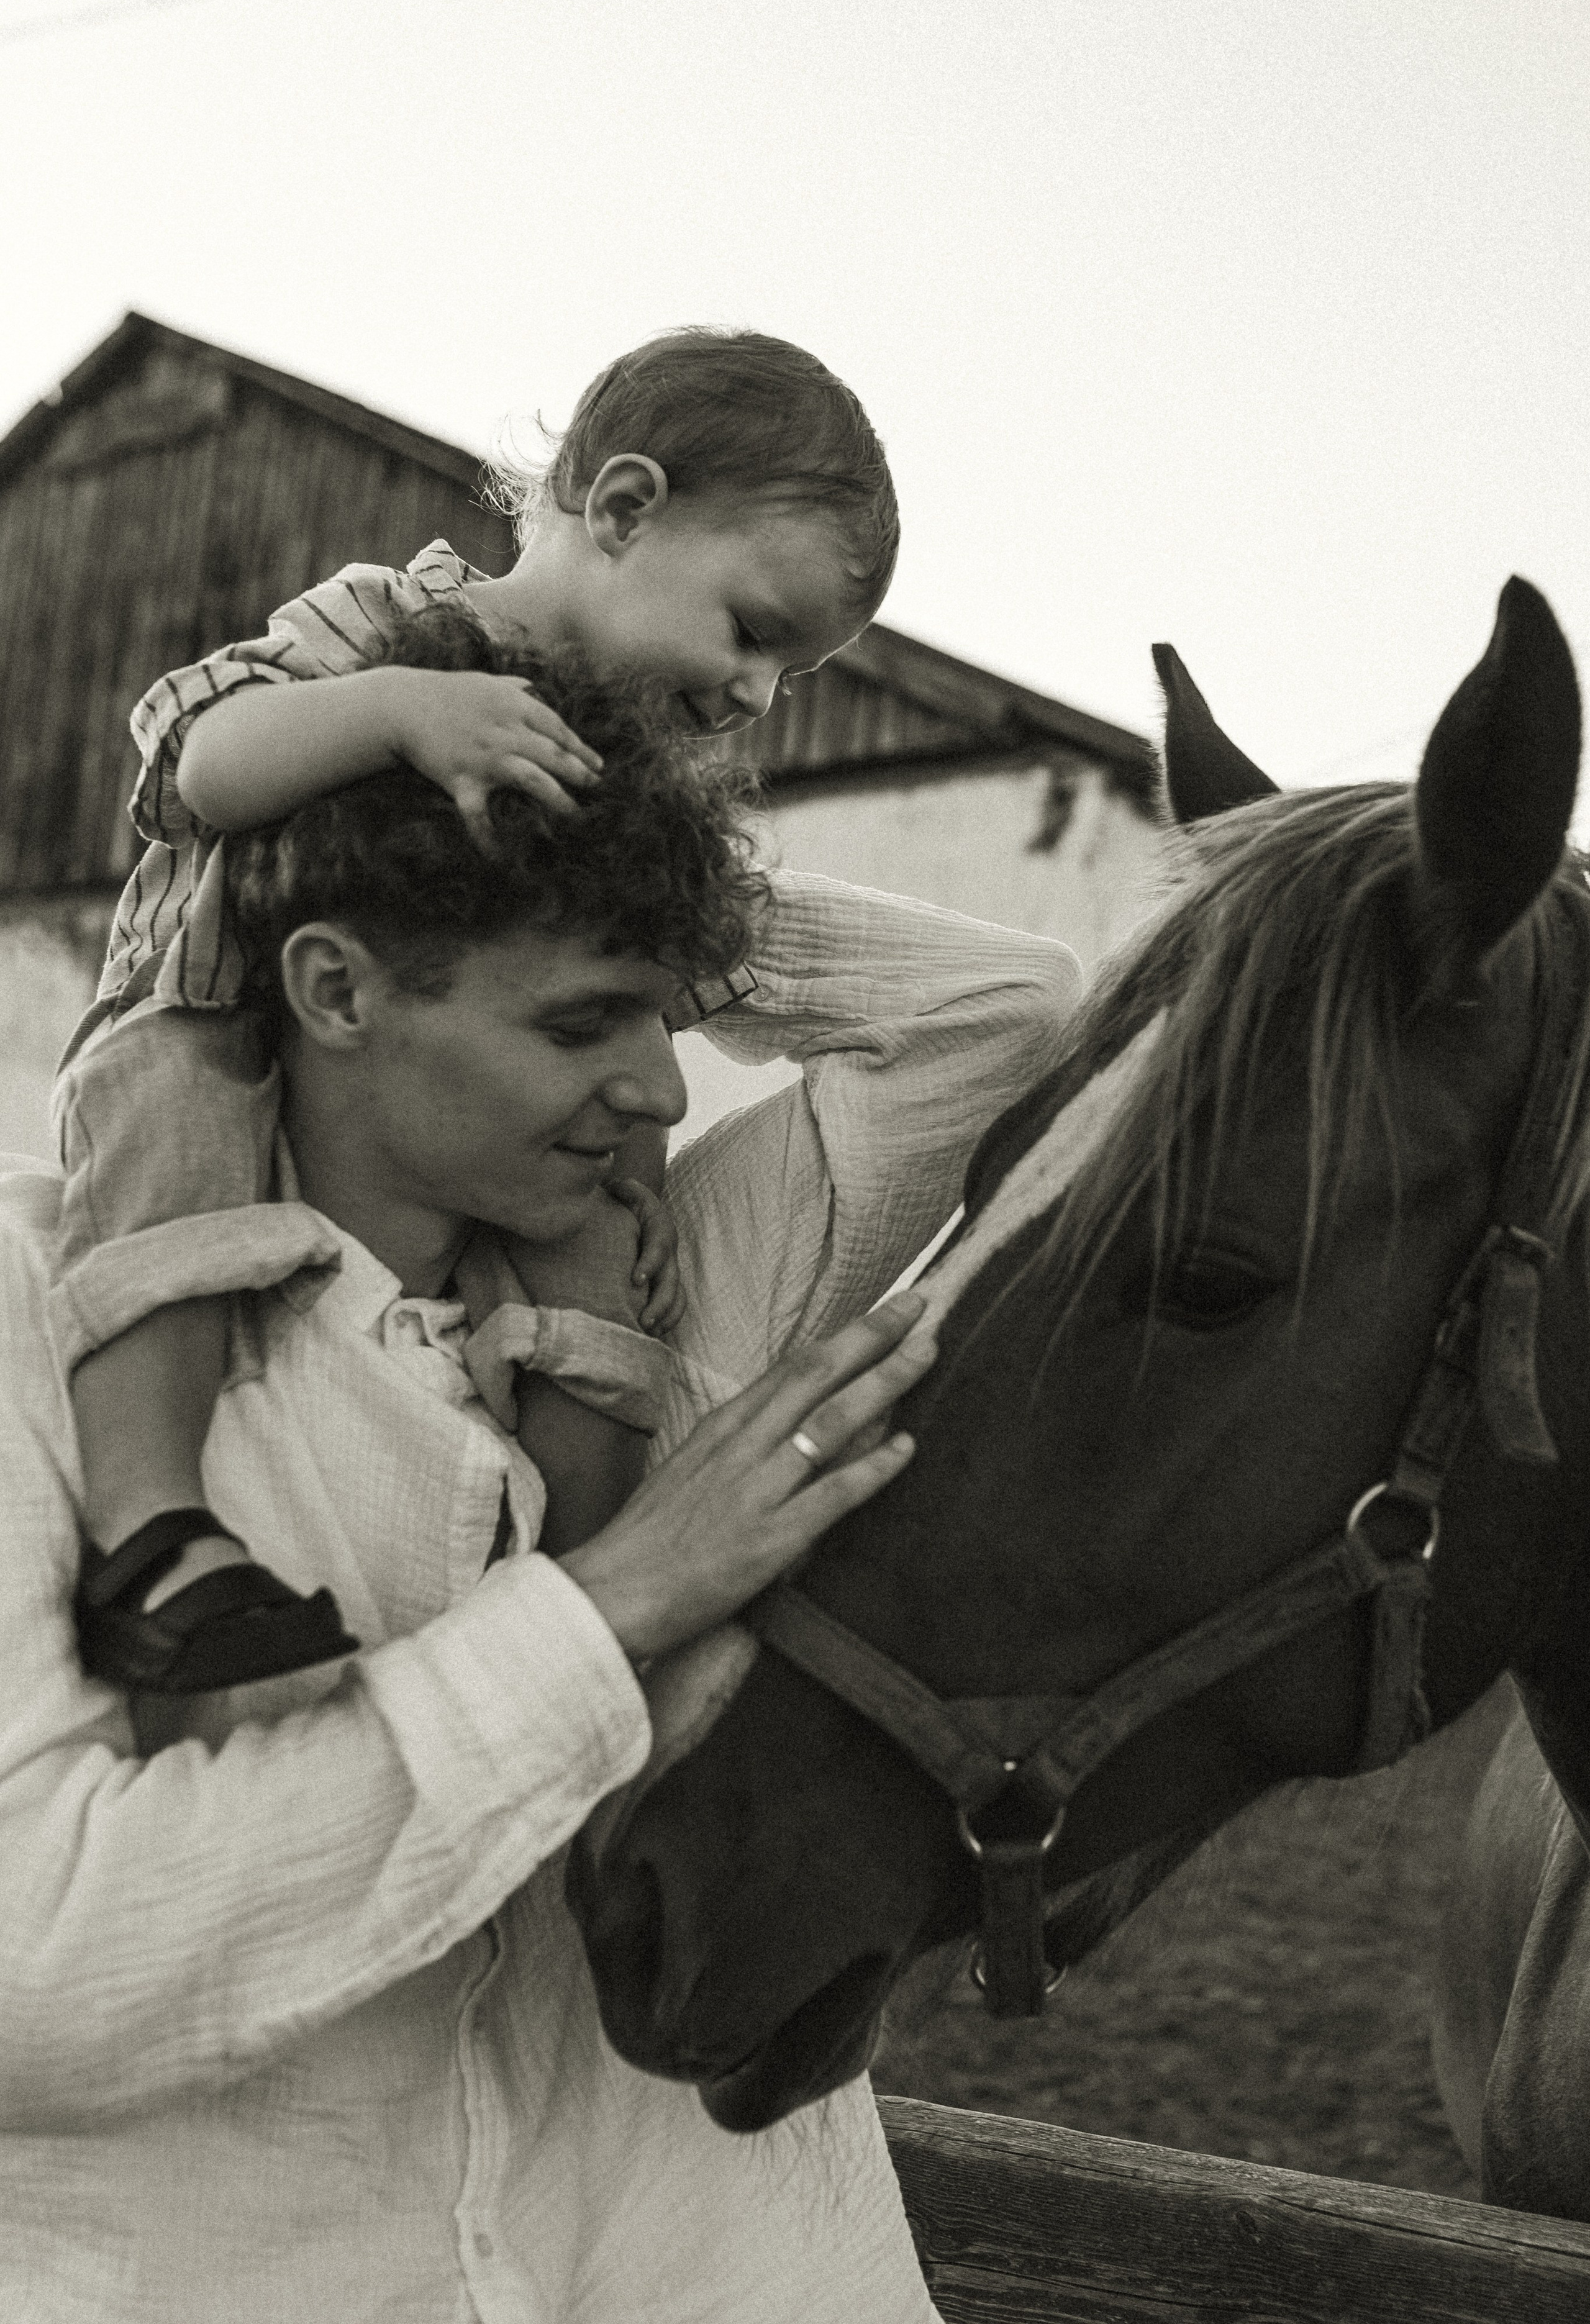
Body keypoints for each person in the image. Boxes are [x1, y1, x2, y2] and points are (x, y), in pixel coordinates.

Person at [0, 629, 1083, 2322]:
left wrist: (622, 824)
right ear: (336, 989)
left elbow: (1002, 1016)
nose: (658, 1087)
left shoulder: (683, 1269)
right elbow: (41, 1972)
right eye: (586, 1020)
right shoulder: (27, 1320)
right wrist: (616, 1603)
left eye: (670, 1016)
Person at [53, 324, 898, 1695]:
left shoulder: (623, 761)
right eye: (753, 634)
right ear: (622, 508)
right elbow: (193, 763)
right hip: (212, 1017)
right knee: (170, 1197)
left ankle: (584, 1577)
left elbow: (613, 1002)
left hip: (429, 1102)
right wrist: (394, 713)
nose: (755, 694)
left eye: (793, 677)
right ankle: (151, 1523)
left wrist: (632, 1182)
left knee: (599, 1291)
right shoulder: (381, 625)